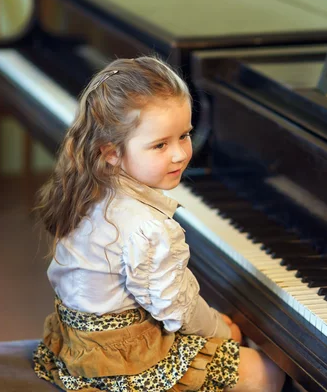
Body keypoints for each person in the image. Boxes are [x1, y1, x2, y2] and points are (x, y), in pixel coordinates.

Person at [32, 56, 286, 392]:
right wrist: (222, 331)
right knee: (268, 374)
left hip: (83, 347)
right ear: (112, 152)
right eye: (160, 145)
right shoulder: (147, 227)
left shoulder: (88, 188)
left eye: (184, 135)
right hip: (124, 364)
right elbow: (176, 309)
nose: (180, 154)